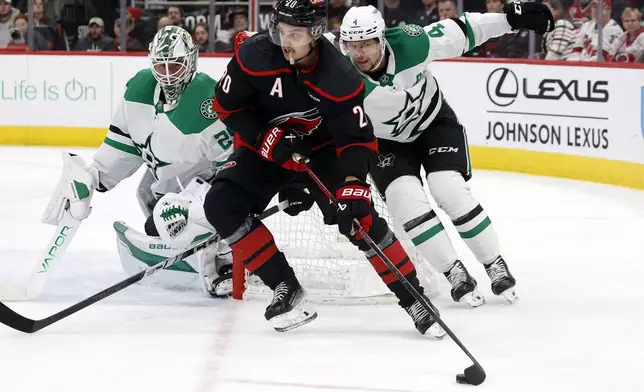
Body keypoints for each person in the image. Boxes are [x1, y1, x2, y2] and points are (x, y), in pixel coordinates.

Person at [198, 0, 446, 337]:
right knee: (220, 204)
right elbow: (226, 107)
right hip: (267, 149)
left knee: (360, 220)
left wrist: (354, 183)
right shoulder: (254, 54)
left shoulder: (339, 76)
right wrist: (262, 136)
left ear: (315, 33)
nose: (285, 40)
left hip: (321, 152)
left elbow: (356, 138)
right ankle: (285, 286)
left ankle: (414, 298)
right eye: (281, 30)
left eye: (295, 34)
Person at [337, 3, 554, 306]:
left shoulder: (411, 44)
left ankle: (493, 262)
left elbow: (464, 31)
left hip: (433, 124)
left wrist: (508, 18)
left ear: (382, 39)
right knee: (404, 199)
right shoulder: (340, 76)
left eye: (366, 44)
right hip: (384, 144)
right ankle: (453, 270)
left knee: (448, 188)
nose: (359, 53)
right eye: (352, 45)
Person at [42, 26, 234, 298]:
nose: (168, 75)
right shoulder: (139, 90)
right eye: (161, 66)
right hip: (165, 196)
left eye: (176, 65)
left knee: (178, 220)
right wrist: (92, 177)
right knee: (156, 222)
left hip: (205, 195)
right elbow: (124, 146)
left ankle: (225, 255)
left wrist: (200, 204)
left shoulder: (207, 101)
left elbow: (235, 167)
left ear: (191, 60)